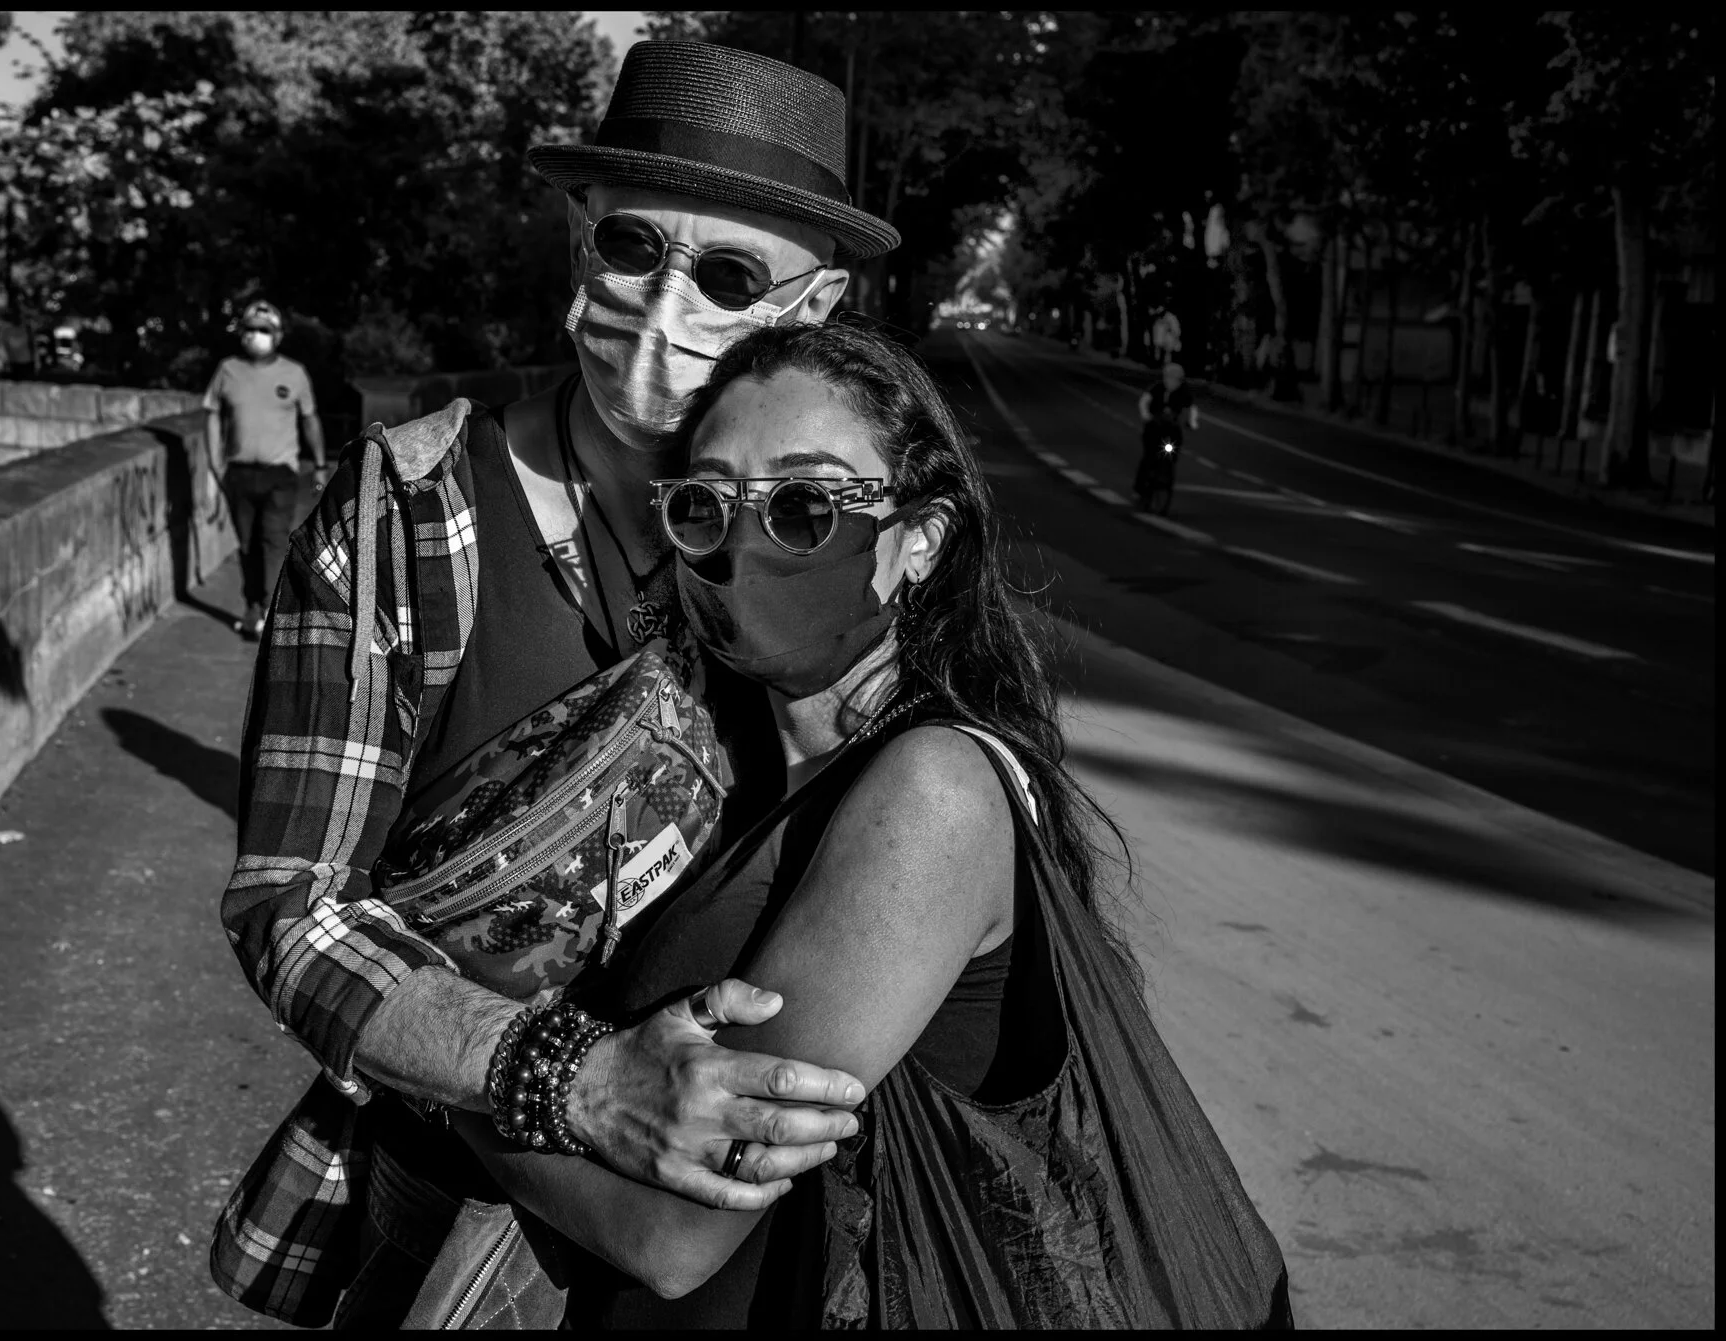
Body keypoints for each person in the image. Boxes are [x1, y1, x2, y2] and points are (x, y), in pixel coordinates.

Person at [212, 42, 903, 1328]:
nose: (662, 305)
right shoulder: (407, 513)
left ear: (812, 308)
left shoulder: (841, 538)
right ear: (576, 231)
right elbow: (289, 908)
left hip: (749, 1232)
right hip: (458, 1181)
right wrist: (575, 1080)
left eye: (730, 272)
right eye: (631, 246)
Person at [440, 322, 1293, 1327]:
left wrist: (437, 1062)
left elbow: (672, 1235)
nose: (744, 544)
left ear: (918, 540)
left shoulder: (929, 791)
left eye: (802, 506)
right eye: (706, 505)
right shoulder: (722, 768)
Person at [203, 299, 326, 640]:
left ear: (278, 335)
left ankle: (269, 607)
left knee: (272, 541)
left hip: (280, 475)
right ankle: (252, 605)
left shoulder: (294, 374)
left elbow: (309, 419)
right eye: (250, 329)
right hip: (239, 473)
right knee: (246, 544)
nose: (256, 336)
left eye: (264, 331)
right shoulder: (228, 370)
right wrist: (215, 465)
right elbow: (212, 415)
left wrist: (318, 465)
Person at [1135, 360, 1199, 497]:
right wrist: (1146, 415)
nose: (1173, 382)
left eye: (1177, 379)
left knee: (1174, 447)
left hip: (1171, 427)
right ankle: (1139, 487)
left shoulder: (1183, 392)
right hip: (1154, 426)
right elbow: (1144, 401)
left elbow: (1192, 408)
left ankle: (1166, 471)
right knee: (1149, 455)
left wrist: (1192, 422)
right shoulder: (1157, 388)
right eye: (1170, 378)